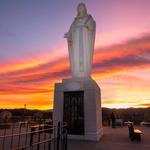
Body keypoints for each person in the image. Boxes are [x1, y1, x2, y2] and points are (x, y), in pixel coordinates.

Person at [64, 3, 96, 78]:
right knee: (76, 56)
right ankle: (76, 73)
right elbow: (71, 31)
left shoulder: (88, 18)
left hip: (85, 42)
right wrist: (69, 35)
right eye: (79, 7)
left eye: (82, 7)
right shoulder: (75, 21)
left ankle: (85, 73)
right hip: (76, 43)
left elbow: (92, 27)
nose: (80, 9)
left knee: (85, 56)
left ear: (85, 9)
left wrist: (88, 26)